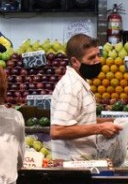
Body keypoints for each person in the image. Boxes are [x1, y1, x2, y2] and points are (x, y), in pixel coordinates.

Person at [49, 33, 120, 161]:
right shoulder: (71, 88)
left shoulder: (80, 82)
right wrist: (100, 128)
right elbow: (57, 130)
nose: (97, 60)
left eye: (98, 55)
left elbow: (80, 120)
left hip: (80, 164)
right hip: (71, 168)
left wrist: (113, 122)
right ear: (75, 62)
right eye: (91, 57)